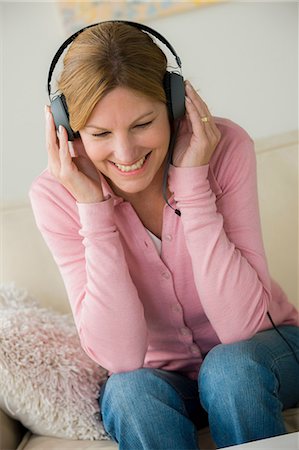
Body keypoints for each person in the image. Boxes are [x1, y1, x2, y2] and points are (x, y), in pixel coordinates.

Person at [30, 21, 299, 449]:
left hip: (263, 355)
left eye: (142, 124)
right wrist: (93, 210)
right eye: (100, 134)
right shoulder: (55, 195)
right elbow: (120, 359)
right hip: (165, 379)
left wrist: (193, 183)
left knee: (230, 370)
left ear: (174, 104)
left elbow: (240, 327)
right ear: (68, 130)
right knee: (129, 393)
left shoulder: (224, 147)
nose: (126, 153)